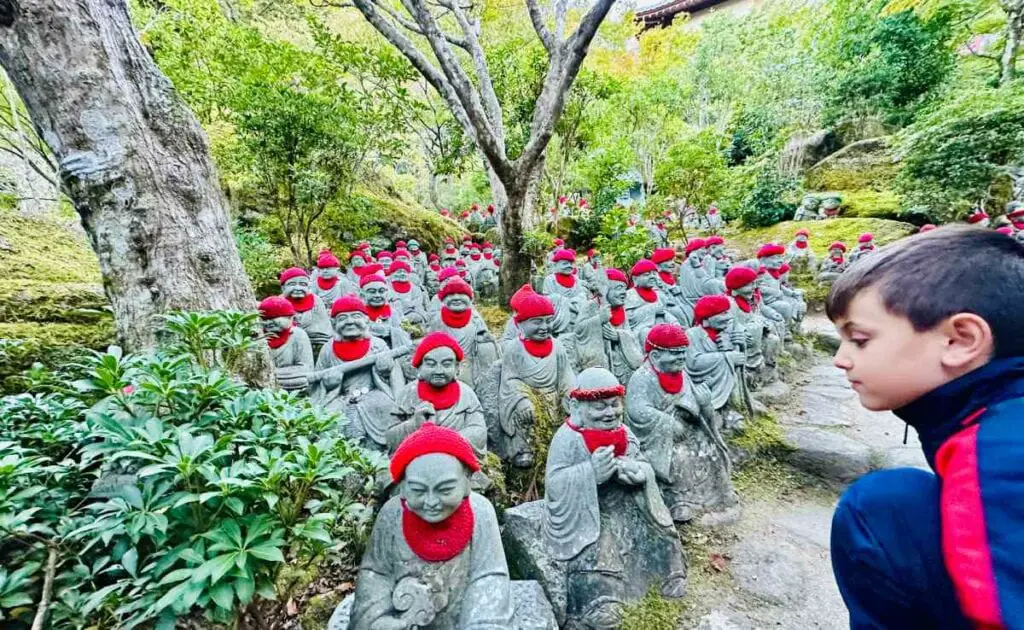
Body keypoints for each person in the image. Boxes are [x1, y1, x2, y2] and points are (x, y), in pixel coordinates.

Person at [826, 226, 1024, 629]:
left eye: (859, 340)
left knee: (876, 506)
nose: (840, 359)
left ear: (959, 341)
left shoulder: (1001, 456)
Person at [347, 423, 513, 629]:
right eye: (418, 490)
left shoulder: (481, 512)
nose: (432, 501)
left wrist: (480, 623)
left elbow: (488, 576)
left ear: (467, 481)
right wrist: (377, 619)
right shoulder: (392, 515)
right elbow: (376, 573)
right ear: (403, 487)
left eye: (445, 490)